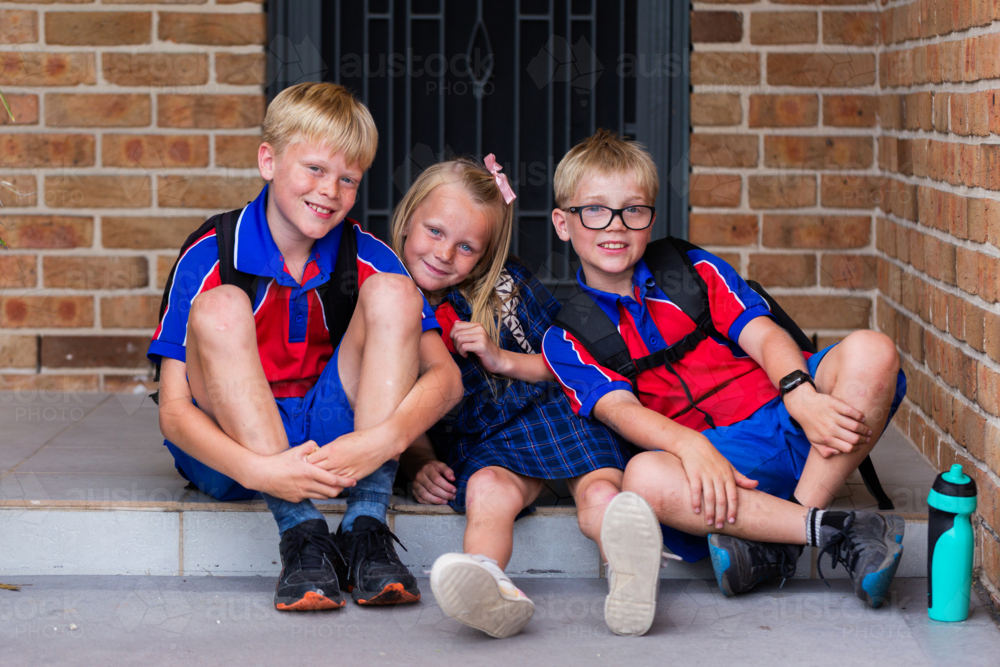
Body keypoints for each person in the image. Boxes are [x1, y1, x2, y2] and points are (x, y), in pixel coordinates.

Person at [542, 130, 908, 620]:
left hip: (795, 424)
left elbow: (763, 334)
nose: (616, 226)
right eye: (594, 210)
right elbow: (622, 411)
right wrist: (693, 447)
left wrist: (799, 394)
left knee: (873, 350)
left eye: (633, 209)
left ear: (650, 218)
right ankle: (830, 528)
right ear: (563, 224)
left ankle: (777, 542)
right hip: (721, 469)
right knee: (643, 477)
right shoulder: (565, 336)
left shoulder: (690, 269)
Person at [148, 82, 463, 611]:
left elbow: (446, 380)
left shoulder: (368, 254)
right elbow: (175, 413)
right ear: (268, 160)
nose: (330, 191)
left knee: (393, 292)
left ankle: (366, 526)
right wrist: (257, 470)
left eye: (347, 179)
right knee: (221, 306)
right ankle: (303, 535)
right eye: (314, 169)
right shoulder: (211, 252)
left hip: (334, 445)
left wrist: (383, 441)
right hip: (233, 450)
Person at [393, 156, 660, 637]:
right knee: (487, 492)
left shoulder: (506, 287)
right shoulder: (387, 298)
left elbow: (565, 360)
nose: (445, 254)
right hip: (484, 436)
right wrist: (418, 460)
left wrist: (499, 356)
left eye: (467, 246)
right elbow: (397, 401)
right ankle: (489, 589)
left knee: (601, 492)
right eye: (434, 232)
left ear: (487, 251)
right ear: (408, 217)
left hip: (553, 409)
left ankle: (630, 580)